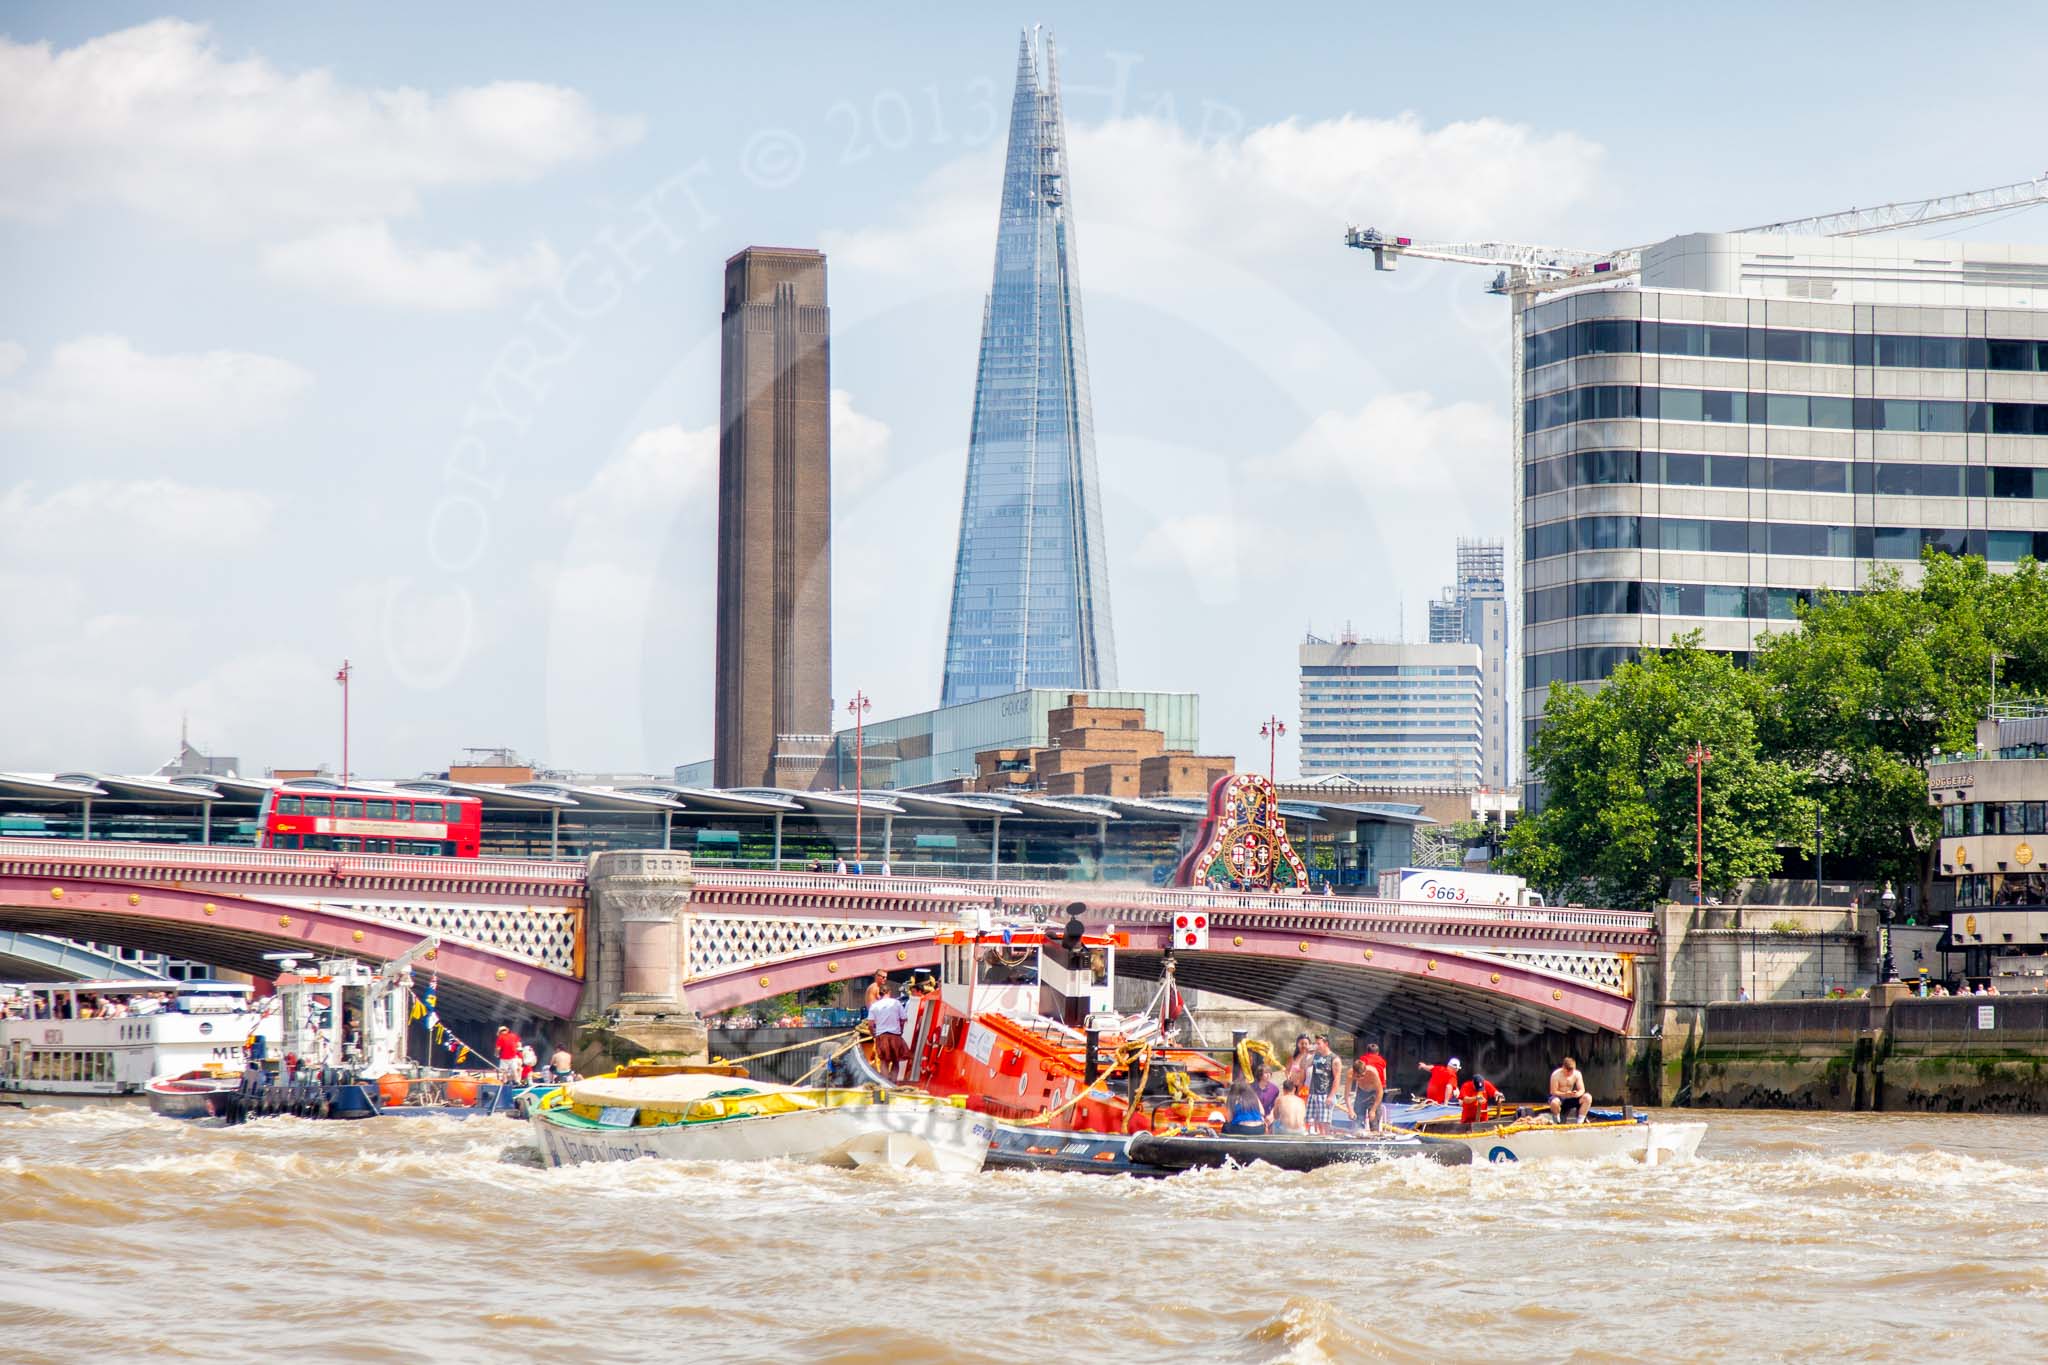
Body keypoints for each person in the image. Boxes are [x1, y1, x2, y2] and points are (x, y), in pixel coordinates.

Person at [866, 988, 909, 1081]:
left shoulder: (874, 1006)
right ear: (889, 992)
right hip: (895, 1036)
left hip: (881, 1036)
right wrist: (901, 1030)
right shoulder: (896, 1003)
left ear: (879, 994)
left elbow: (870, 1025)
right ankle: (893, 1083)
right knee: (896, 1061)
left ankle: (886, 1084)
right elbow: (904, 1019)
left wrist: (873, 1034)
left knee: (884, 1062)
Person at [1305, 1035, 1340, 1135]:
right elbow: (1304, 1065)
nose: (1317, 1046)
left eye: (1319, 1044)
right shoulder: (1316, 1056)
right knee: (1310, 1120)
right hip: (1313, 1092)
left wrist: (1331, 1096)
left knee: (1324, 1122)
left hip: (1325, 1094)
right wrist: (1307, 1054)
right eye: (1315, 1043)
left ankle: (1327, 1140)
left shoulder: (1334, 1059)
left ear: (1326, 1044)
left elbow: (1337, 1079)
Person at [1350, 1046, 1386, 1133]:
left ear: (1367, 1052)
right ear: (1377, 1052)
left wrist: (1373, 1110)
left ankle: (1357, 1131)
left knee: (1358, 1118)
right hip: (1375, 1090)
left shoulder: (1362, 1059)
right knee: (1374, 1120)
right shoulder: (1382, 1061)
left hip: (1368, 1090)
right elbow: (1384, 1078)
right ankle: (1374, 1131)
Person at [1548, 1055, 1591, 1124]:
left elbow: (1582, 1090)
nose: (1568, 1074)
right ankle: (1557, 1120)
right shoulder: (1555, 1075)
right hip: (1559, 1097)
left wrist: (1576, 1094)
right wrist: (1564, 1094)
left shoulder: (1577, 1074)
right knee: (1554, 1102)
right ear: (1563, 1067)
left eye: (1571, 1072)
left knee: (1588, 1097)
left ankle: (1580, 1121)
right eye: (1567, 1071)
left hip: (1571, 1097)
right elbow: (1553, 1092)